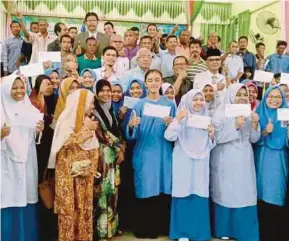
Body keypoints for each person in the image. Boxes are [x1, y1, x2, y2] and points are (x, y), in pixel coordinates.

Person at [126, 70, 176, 239]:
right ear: (145, 84)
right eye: (150, 80)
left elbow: (175, 132)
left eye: (157, 80)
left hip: (164, 153)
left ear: (161, 82)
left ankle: (161, 227)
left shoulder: (169, 105)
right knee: (145, 188)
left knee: (162, 188)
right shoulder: (139, 105)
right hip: (145, 153)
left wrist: (172, 124)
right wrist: (132, 125)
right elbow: (131, 133)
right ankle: (144, 228)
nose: (154, 83)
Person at [210, 83, 260, 241]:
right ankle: (224, 229)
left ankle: (243, 230)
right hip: (225, 157)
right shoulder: (219, 113)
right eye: (238, 94)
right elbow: (216, 139)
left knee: (244, 192)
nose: (242, 98)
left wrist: (255, 125)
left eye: (245, 95)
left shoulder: (250, 112)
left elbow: (254, 139)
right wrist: (236, 126)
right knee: (225, 192)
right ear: (231, 95)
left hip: (245, 158)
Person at [165, 90, 215, 241]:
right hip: (183, 161)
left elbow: (211, 145)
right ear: (187, 102)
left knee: (199, 192)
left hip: (201, 162)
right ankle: (182, 233)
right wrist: (178, 121)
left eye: (201, 99)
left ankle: (199, 232)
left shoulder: (207, 118)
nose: (199, 102)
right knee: (183, 192)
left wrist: (212, 135)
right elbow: (169, 136)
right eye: (195, 100)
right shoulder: (181, 117)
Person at [50, 89, 99, 241]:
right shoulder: (66, 121)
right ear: (80, 103)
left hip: (84, 177)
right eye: (90, 103)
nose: (92, 107)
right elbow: (63, 147)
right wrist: (87, 130)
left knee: (84, 210)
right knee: (69, 212)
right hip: (69, 179)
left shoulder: (87, 120)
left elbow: (93, 147)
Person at [1, 75, 44, 241]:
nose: (19, 91)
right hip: (6, 164)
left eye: (21, 87)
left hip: (26, 162)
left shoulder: (29, 108)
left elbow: (35, 134)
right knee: (8, 198)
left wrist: (38, 129)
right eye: (14, 87)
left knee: (26, 196)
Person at [254, 86, 289, 241]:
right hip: (261, 157)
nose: (274, 100)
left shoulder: (286, 115)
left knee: (276, 191)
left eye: (278, 97)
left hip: (279, 158)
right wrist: (265, 132)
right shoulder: (258, 113)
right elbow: (252, 139)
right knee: (260, 191)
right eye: (271, 96)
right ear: (265, 98)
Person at [93, 79, 125, 240]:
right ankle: (102, 231)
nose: (106, 94)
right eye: (102, 90)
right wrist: (120, 149)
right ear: (96, 92)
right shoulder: (94, 112)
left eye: (108, 90)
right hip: (103, 159)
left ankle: (112, 228)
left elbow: (116, 130)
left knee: (113, 191)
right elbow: (103, 135)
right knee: (103, 193)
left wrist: (119, 149)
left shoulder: (110, 109)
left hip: (113, 159)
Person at [29, 75, 58, 241]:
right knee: (41, 187)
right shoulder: (33, 104)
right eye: (46, 84)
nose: (50, 87)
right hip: (38, 153)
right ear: (38, 86)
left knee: (51, 187)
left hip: (52, 152)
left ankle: (51, 229)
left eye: (52, 84)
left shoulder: (54, 102)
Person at [118, 78, 147, 231]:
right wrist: (121, 117)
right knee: (128, 187)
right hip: (128, 153)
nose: (136, 91)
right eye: (133, 88)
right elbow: (118, 130)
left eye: (138, 88)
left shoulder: (148, 106)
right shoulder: (125, 109)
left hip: (144, 151)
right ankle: (128, 223)